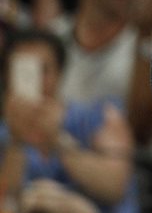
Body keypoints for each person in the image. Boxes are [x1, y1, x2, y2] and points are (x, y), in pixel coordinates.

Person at [0, 29, 137, 213]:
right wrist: (16, 142)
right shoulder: (5, 133)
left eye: (43, 70)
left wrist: (57, 139)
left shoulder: (100, 115)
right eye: (22, 69)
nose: (35, 79)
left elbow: (114, 187)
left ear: (60, 72)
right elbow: (6, 200)